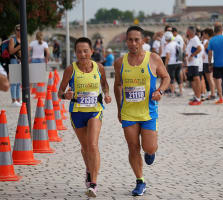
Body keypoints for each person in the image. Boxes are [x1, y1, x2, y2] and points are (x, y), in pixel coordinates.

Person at [114, 26, 170, 196]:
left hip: (148, 113)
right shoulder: (119, 63)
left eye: (136, 39)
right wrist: (119, 108)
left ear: (143, 41)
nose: (133, 43)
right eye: (130, 40)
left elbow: (166, 77)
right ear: (126, 41)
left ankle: (151, 152)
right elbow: (117, 85)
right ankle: (140, 181)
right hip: (129, 112)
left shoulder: (153, 58)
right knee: (133, 147)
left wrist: (160, 91)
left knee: (149, 147)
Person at [58, 37, 111, 197]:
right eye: (79, 51)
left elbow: (105, 85)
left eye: (85, 51)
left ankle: (93, 183)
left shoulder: (99, 67)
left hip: (95, 110)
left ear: (91, 51)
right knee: (85, 147)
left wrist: (107, 94)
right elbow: (59, 92)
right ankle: (89, 169)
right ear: (75, 53)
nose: (82, 54)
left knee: (93, 145)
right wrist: (65, 95)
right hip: (77, 112)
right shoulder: (70, 69)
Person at [185, 26, 202, 105]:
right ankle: (196, 96)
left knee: (196, 79)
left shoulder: (195, 39)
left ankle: (198, 98)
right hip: (190, 63)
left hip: (195, 62)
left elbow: (199, 49)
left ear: (190, 31)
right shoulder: (191, 40)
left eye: (187, 31)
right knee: (192, 80)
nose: (186, 32)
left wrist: (192, 55)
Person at [8, 24, 22, 106]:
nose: (19, 32)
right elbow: (11, 51)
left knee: (19, 82)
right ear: (15, 31)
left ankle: (18, 99)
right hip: (13, 60)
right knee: (14, 81)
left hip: (20, 61)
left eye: (21, 30)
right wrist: (19, 46)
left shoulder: (23, 39)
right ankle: (13, 100)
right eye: (18, 30)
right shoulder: (12, 40)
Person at [202, 28, 215, 100]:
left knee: (209, 79)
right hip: (210, 61)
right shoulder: (212, 40)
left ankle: (212, 94)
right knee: (211, 78)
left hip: (208, 61)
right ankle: (212, 93)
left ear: (207, 34)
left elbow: (203, 50)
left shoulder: (208, 42)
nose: (203, 35)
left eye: (204, 34)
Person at [164, 31, 179, 96]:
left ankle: (172, 92)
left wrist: (165, 65)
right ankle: (180, 91)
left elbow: (168, 57)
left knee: (171, 78)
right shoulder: (176, 44)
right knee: (178, 77)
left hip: (171, 63)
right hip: (178, 62)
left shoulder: (168, 46)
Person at [172, 27, 185, 96]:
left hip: (177, 56)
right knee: (179, 72)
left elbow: (178, 48)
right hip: (179, 55)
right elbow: (184, 46)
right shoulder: (179, 37)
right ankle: (180, 87)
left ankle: (179, 87)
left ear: (174, 32)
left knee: (178, 73)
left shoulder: (177, 38)